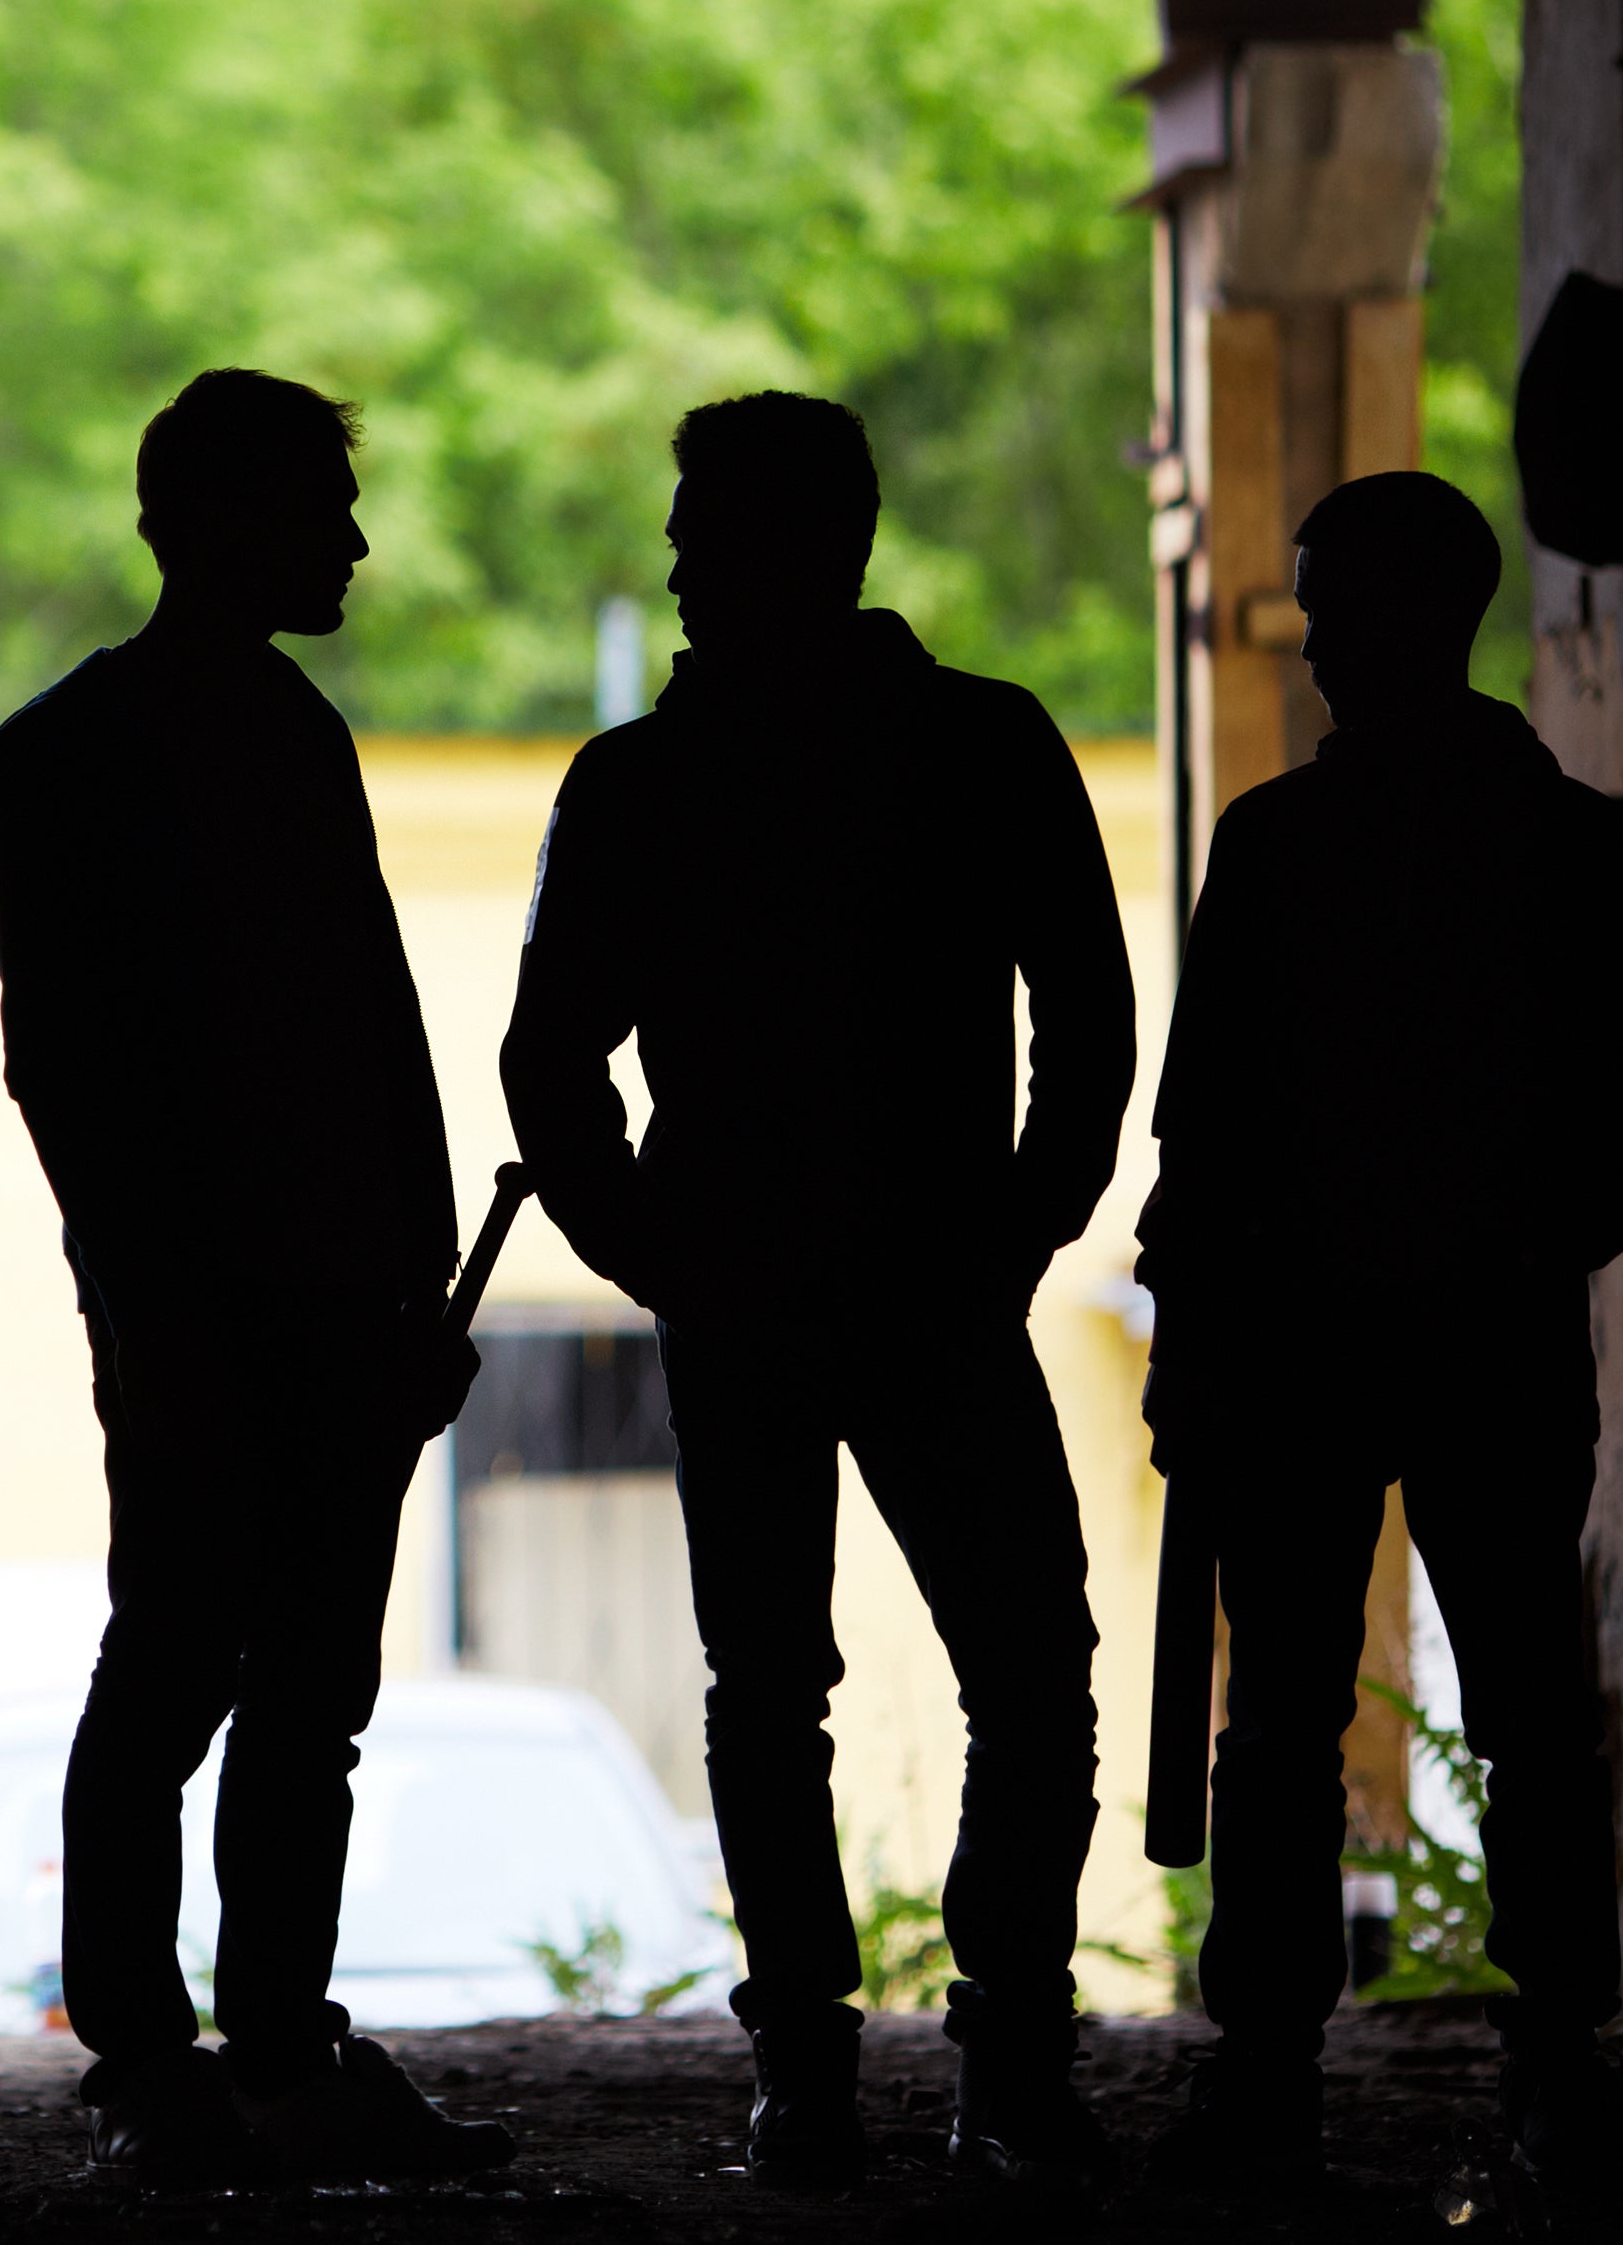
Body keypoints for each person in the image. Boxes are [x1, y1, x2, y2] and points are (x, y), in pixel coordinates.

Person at [498, 390, 1134, 2189]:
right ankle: (1002, 2060)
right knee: (1025, 1671)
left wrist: (652, 1249)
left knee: (771, 1687)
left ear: (802, 541)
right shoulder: (984, 746)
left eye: (706, 526)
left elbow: (554, 1064)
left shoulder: (642, 783)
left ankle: (810, 2072)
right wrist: (1015, 1233)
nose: (681, 559)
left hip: (762, 1296)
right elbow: (1088, 1025)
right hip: (930, 1288)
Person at [0, 371, 516, 2191]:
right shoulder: (220, 743)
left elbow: (289, 1049)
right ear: (217, 522)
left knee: (224, 1676)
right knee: (245, 1684)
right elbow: (129, 1072)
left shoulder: (128, 746)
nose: (352, 543)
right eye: (319, 511)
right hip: (252, 1305)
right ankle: (220, 2053)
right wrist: (308, 1292)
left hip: (268, 1303)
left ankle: (195, 2058)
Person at [1135, 471, 1623, 2202]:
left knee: (1294, 1719)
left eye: (1334, 608)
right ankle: (1551, 2064)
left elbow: (1202, 1133)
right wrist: (1500, 1256)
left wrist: (1211, 1323)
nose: (1318, 645)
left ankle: (1279, 2070)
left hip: (1323, 1342)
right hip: (1475, 1338)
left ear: (1413, 618)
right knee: (1507, 1710)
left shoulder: (1283, 849)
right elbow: (1619, 1132)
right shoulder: (1569, 847)